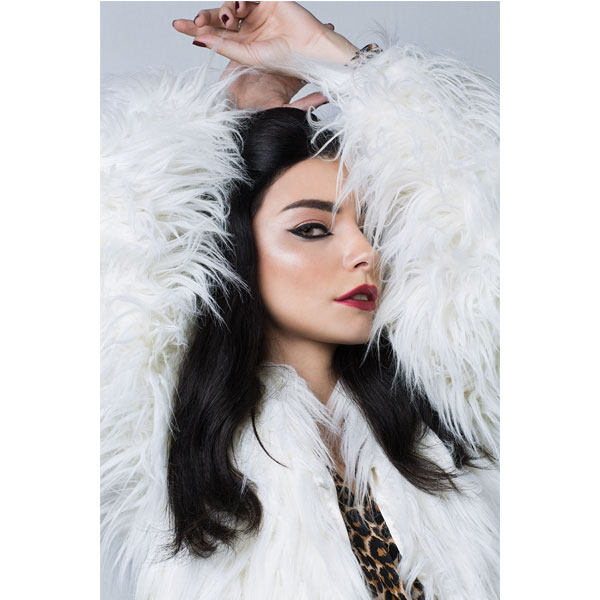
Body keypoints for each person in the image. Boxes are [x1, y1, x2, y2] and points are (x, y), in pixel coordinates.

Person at [100, 2, 499, 599]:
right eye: (313, 229)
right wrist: (226, 129)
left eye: (372, 228)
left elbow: (482, 215)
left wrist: (336, 59)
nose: (365, 252)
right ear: (231, 247)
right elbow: (120, 240)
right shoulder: (174, 438)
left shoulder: (441, 416)